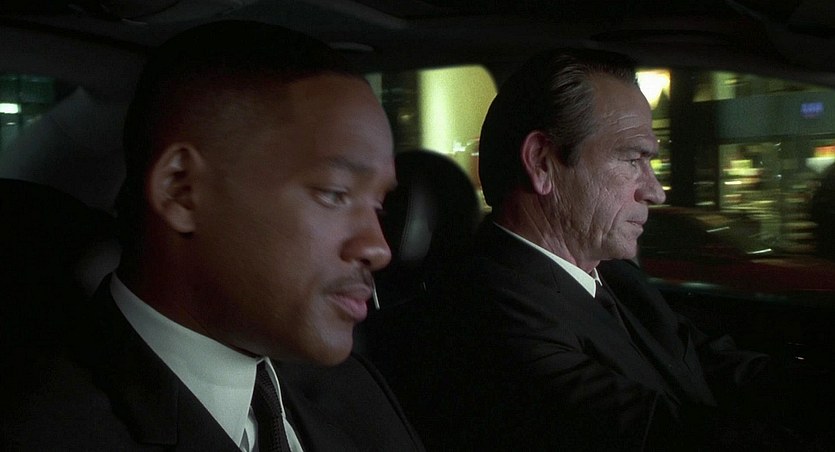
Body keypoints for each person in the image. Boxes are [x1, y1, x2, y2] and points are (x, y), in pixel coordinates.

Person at [2, 21, 423, 451]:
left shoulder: (352, 390)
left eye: (378, 206)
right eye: (334, 193)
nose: (379, 249)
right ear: (182, 191)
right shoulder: (45, 430)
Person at [415, 48, 786, 451]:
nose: (656, 192)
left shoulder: (614, 274)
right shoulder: (486, 314)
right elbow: (655, 434)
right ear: (541, 164)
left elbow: (707, 362)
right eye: (632, 160)